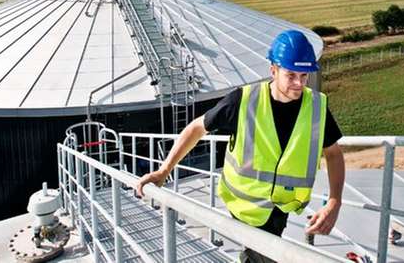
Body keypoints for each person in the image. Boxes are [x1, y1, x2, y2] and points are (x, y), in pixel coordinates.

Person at [136, 29, 345, 262]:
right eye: (291, 75)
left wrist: (335, 201)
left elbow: (334, 154)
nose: (299, 83)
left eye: (304, 76)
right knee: (263, 255)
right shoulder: (243, 101)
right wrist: (164, 171)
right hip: (245, 205)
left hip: (281, 208)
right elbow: (196, 128)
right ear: (273, 70)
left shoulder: (316, 107)